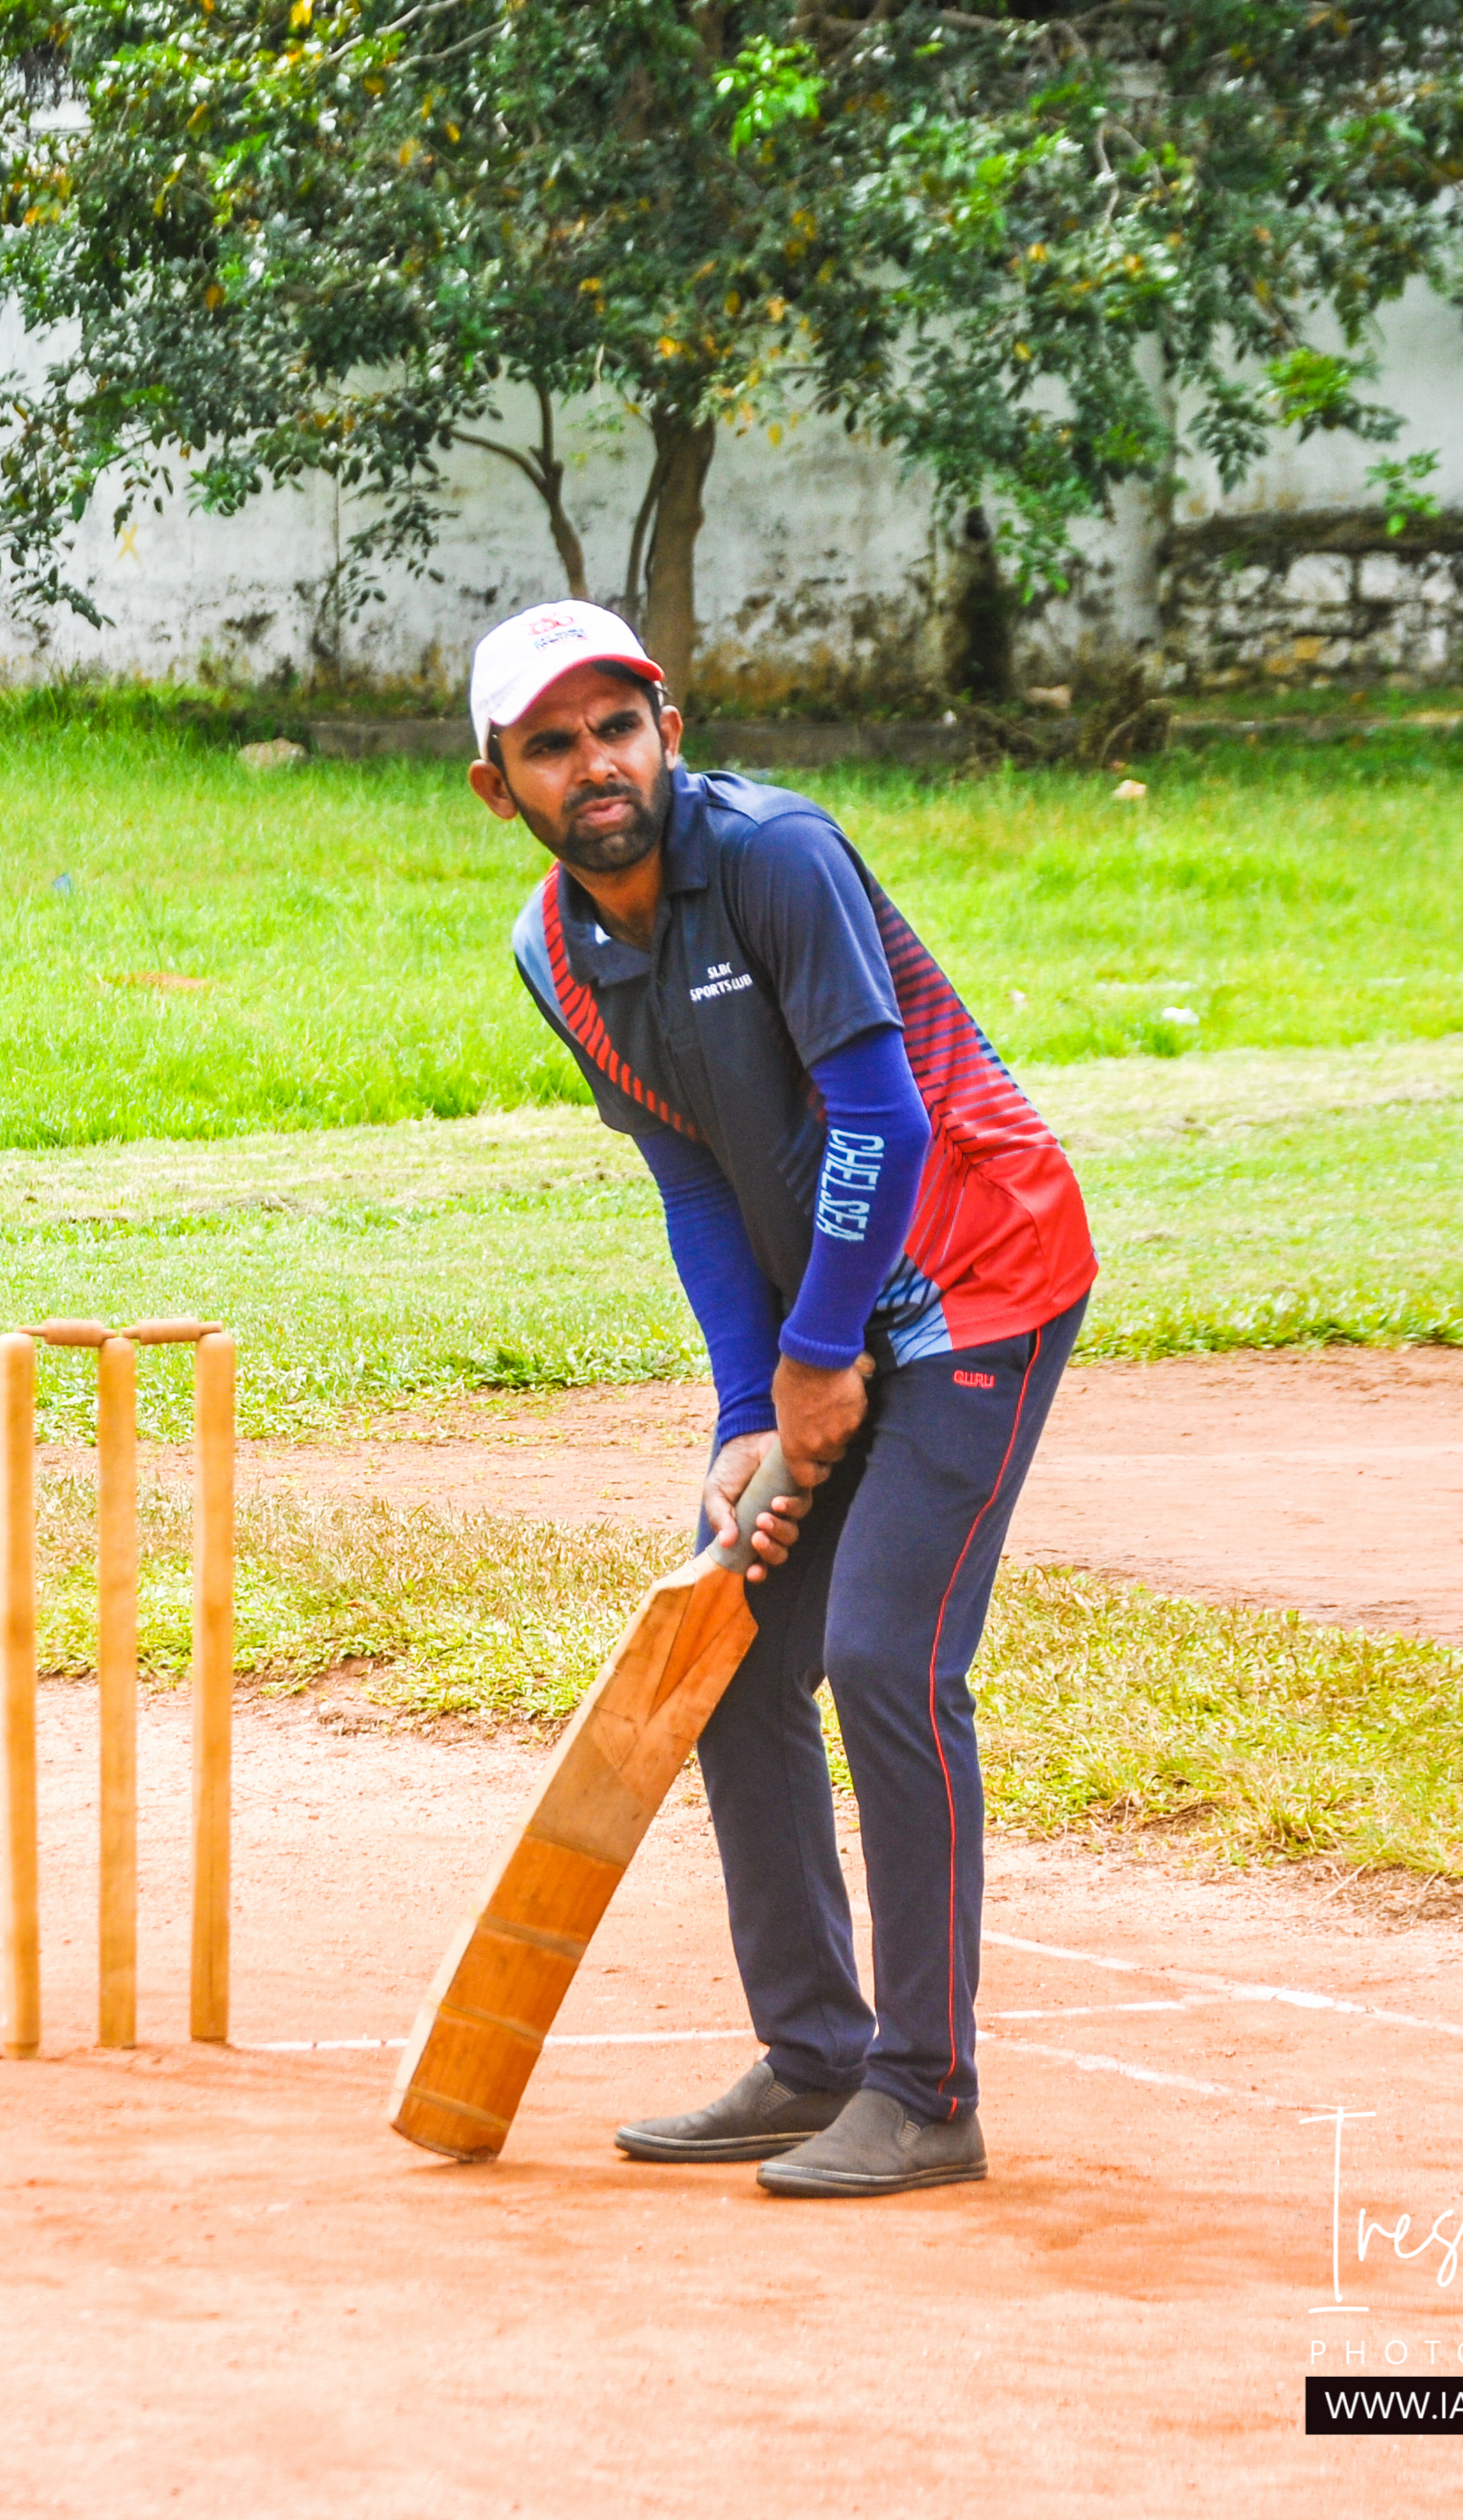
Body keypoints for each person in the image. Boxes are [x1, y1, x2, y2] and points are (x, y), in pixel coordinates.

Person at [468, 601, 1092, 2196]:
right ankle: (815, 2055)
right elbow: (689, 1171)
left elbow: (878, 1113)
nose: (596, 764)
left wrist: (825, 1356)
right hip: (819, 1321)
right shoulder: (558, 951)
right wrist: (755, 1400)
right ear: (502, 790)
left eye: (618, 725)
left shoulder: (777, 855)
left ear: (668, 728)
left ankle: (927, 2089)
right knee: (731, 1654)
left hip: (976, 1280)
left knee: (887, 1657)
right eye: (553, 744)